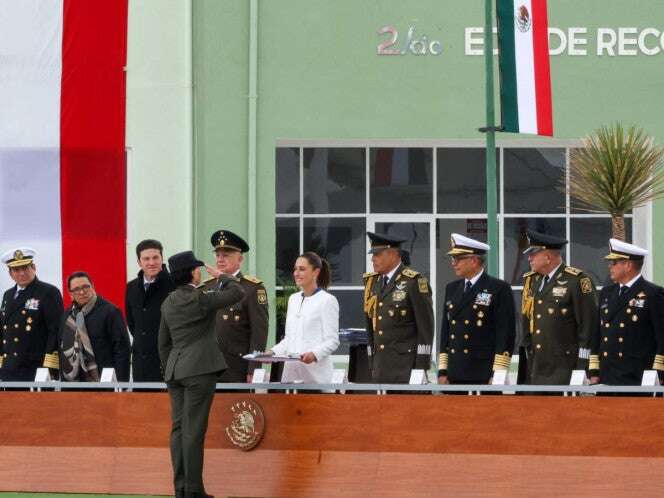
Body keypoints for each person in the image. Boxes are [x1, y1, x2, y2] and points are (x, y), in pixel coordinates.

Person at [158, 250, 245, 498]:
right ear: (193, 273)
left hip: (175, 371)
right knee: (194, 430)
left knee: (178, 429)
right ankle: (194, 490)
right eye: (198, 268)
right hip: (199, 371)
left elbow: (163, 343)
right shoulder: (200, 298)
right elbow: (238, 292)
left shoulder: (168, 302)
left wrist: (170, 369)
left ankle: (181, 488)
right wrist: (222, 276)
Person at [520, 229, 598, 385]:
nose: (529, 259)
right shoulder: (532, 281)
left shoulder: (577, 281)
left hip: (565, 366)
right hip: (537, 366)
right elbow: (527, 320)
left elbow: (588, 327)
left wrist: (585, 367)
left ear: (547, 257)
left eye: (533, 254)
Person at [438, 234, 515, 385]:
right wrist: (442, 371)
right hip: (454, 374)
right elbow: (446, 332)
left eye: (458, 259)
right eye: (453, 259)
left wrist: (498, 372)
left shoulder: (498, 288)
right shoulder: (452, 288)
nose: (453, 263)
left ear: (473, 261)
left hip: (483, 374)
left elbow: (505, 333)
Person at [590, 238, 664, 386]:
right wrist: (593, 371)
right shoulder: (607, 292)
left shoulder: (652, 293)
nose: (610, 267)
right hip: (607, 375)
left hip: (637, 376)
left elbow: (662, 337)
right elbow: (598, 334)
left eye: (614, 263)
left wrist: (659, 373)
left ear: (628, 265)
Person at [363, 232, 434, 384]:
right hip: (380, 367)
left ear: (393, 254)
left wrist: (421, 366)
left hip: (406, 367)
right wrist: (371, 360)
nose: (372, 259)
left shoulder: (414, 281)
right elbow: (370, 326)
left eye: (377, 254)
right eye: (373, 254)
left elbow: (425, 328)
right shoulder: (372, 282)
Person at [203, 229, 268, 383]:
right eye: (217, 255)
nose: (220, 259)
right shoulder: (206, 287)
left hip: (236, 369)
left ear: (240, 259)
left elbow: (259, 333)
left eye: (226, 255)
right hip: (207, 369)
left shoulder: (252, 288)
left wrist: (254, 368)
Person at [267, 252, 339, 383]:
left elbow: (332, 341)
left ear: (315, 272)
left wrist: (314, 354)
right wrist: (271, 352)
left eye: (302, 269)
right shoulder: (293, 299)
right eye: (295, 269)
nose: (296, 273)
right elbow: (289, 339)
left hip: (316, 378)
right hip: (291, 377)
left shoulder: (327, 300)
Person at [0, 247, 63, 381]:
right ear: (10, 273)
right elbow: (3, 330)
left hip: (35, 369)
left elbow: (56, 331)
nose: (22, 273)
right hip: (9, 368)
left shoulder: (48, 292)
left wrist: (50, 367)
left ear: (33, 267)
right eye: (17, 270)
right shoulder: (8, 295)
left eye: (25, 268)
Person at [59, 272, 131, 382]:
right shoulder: (67, 316)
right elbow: (61, 349)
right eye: (76, 289)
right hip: (73, 384)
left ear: (93, 286)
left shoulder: (111, 312)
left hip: (103, 382)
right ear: (70, 293)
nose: (82, 292)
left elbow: (122, 350)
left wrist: (121, 384)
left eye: (85, 287)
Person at [125, 239, 174, 381]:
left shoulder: (173, 284)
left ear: (162, 259)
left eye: (155, 258)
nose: (151, 263)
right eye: (146, 259)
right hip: (141, 363)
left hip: (168, 362)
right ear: (139, 262)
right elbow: (133, 324)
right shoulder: (131, 287)